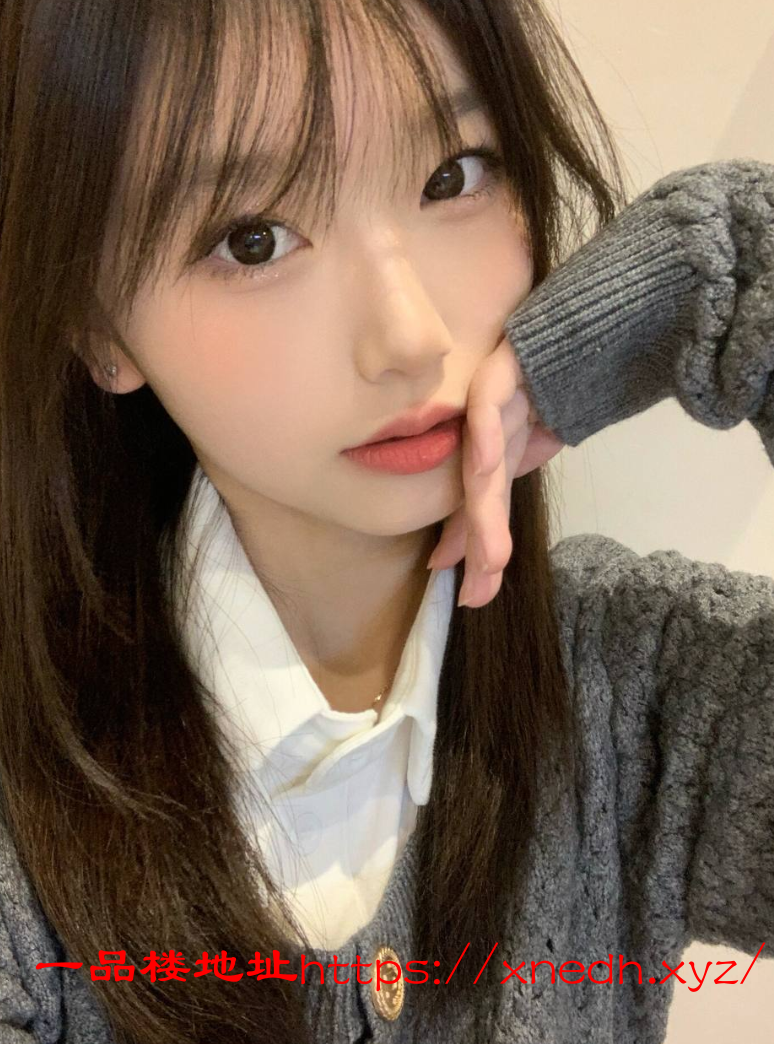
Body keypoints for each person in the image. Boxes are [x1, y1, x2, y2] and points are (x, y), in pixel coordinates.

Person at [0, 0, 770, 1042]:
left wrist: (726, 269)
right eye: (253, 240)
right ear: (98, 327)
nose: (408, 337)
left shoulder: (639, 687)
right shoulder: (25, 838)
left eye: (452, 176)